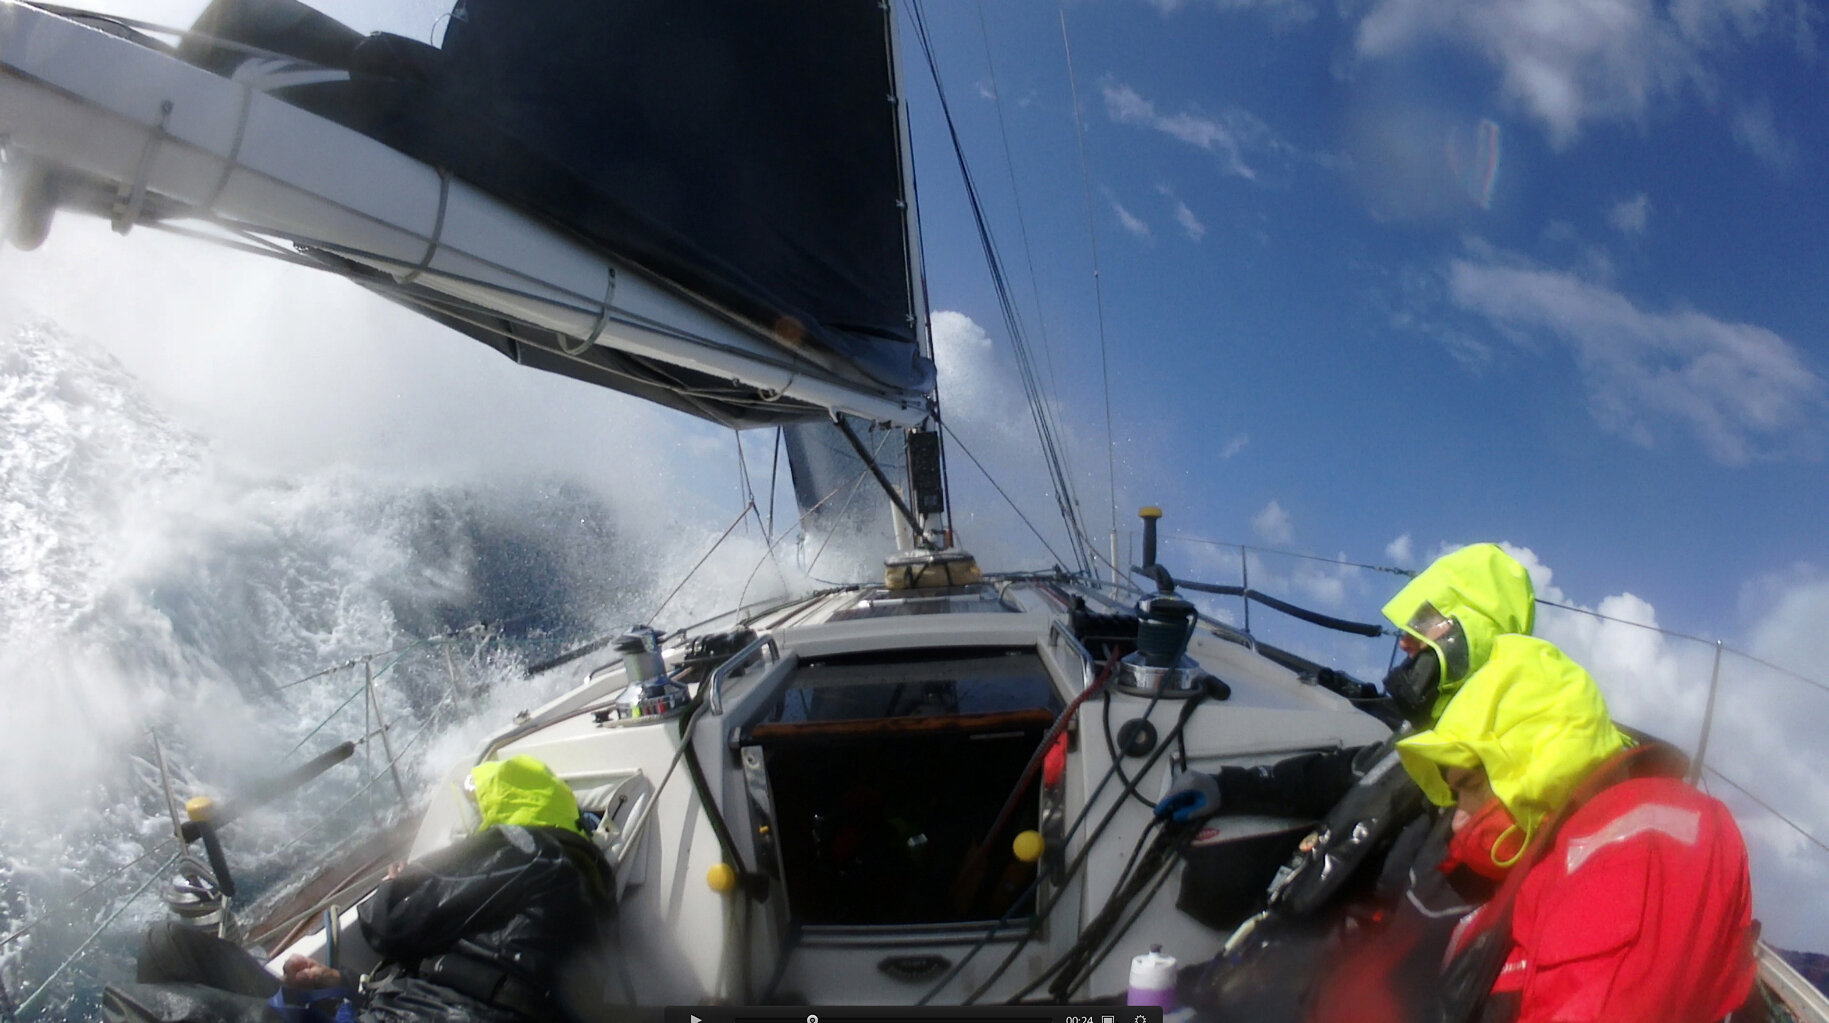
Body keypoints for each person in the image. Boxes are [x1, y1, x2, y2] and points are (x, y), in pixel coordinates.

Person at [1310, 634, 1756, 1023]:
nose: (1459, 820)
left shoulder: (1635, 846)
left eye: (1470, 786)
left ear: (1537, 761)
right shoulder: (1569, 837)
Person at [1157, 542, 1537, 918]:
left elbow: (1414, 919)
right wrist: (1228, 786)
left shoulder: (1485, 777)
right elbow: (1344, 773)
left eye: (1422, 625)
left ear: (1470, 638)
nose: (1403, 641)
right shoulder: (1426, 734)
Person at [104, 754, 616, 1023]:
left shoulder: (529, 849)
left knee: (138, 1008)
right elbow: (445, 972)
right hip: (396, 1011)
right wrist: (342, 982)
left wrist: (403, 880)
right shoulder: (547, 875)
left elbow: (387, 924)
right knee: (166, 946)